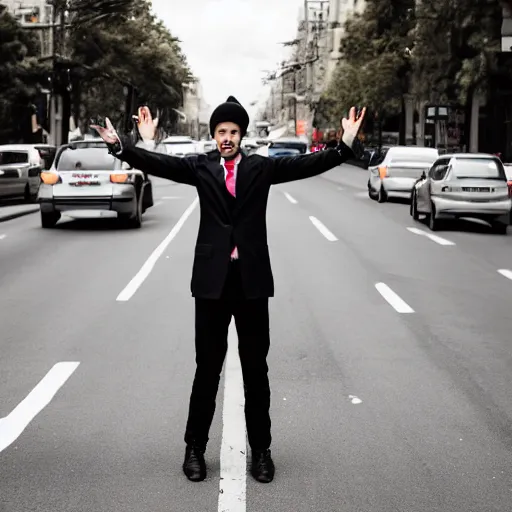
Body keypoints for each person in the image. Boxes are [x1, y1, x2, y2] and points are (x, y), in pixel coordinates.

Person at [91, 96, 366, 484]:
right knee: (207, 370)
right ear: (214, 135)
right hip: (211, 284)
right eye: (221, 132)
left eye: (233, 132)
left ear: (241, 136)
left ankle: (262, 452)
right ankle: (194, 449)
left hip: (251, 283)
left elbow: (307, 164)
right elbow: (160, 164)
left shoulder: (262, 168)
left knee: (257, 372)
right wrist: (126, 146)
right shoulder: (200, 167)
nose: (227, 138)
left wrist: (344, 145)